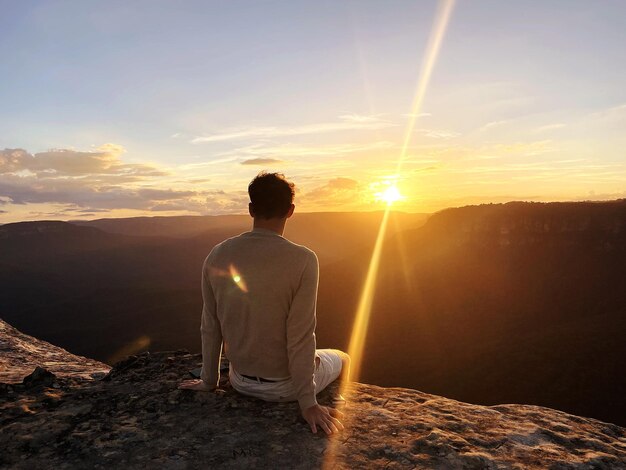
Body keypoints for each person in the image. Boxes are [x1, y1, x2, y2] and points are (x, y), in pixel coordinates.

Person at [180, 172, 350, 435]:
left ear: (251, 209)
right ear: (291, 211)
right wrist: (308, 404)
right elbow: (301, 336)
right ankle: (343, 400)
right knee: (343, 357)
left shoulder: (217, 254)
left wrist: (209, 380)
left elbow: (210, 325)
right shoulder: (304, 260)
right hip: (286, 388)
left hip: (240, 381)